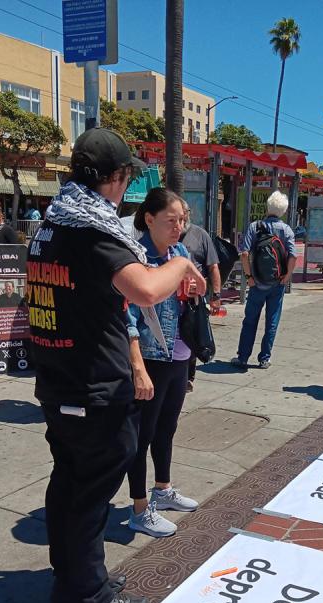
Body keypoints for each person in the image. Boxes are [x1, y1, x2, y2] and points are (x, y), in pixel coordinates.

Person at [26, 128, 206, 603]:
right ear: (116, 178)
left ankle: (78, 575)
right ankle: (86, 597)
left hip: (59, 377)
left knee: (70, 481)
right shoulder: (92, 232)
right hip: (91, 384)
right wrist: (184, 262)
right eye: (126, 178)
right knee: (91, 488)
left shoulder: (52, 224)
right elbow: (146, 289)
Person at [126, 189, 200, 538]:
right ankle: (140, 508)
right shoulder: (135, 258)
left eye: (183, 220)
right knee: (142, 436)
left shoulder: (179, 252)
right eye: (172, 220)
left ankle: (163, 489)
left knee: (167, 428)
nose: (179, 227)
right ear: (149, 218)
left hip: (180, 354)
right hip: (153, 357)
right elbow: (125, 316)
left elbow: (192, 296)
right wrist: (137, 366)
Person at [231, 191, 296, 370]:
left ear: (268, 207)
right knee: (272, 321)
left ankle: (243, 357)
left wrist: (249, 277)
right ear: (283, 210)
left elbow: (244, 254)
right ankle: (264, 358)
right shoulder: (287, 230)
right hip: (277, 284)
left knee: (250, 320)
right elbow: (292, 257)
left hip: (257, 282)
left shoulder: (255, 226)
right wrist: (287, 276)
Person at [179, 201, 221, 391]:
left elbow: (213, 267)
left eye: (185, 213)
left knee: (194, 333)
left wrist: (216, 295)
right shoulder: (166, 236)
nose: (183, 218)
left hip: (195, 297)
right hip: (172, 295)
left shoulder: (200, 235)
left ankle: (189, 375)